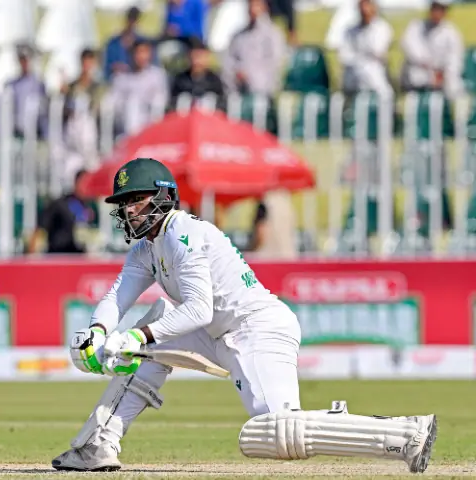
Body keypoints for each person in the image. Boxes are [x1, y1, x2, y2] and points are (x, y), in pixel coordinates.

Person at [52, 157, 438, 472]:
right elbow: (119, 294)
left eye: (134, 200)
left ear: (161, 198)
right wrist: (98, 332)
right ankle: (97, 445)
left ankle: (405, 433)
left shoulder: (183, 235)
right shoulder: (146, 248)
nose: (127, 210)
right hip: (217, 333)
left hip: (257, 329)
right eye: (124, 203)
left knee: (275, 431)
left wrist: (137, 336)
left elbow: (199, 309)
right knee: (139, 350)